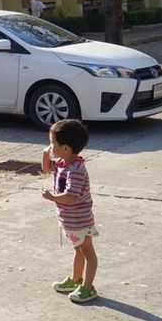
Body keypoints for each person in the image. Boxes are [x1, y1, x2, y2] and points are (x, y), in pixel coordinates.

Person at [40, 119, 99, 303]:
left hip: (80, 220)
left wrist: (52, 198)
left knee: (88, 253)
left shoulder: (75, 169)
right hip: (70, 220)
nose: (50, 146)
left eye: (53, 143)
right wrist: (45, 155)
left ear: (65, 148)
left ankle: (88, 287)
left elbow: (71, 196)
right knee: (78, 251)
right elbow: (47, 168)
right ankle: (75, 280)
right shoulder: (63, 163)